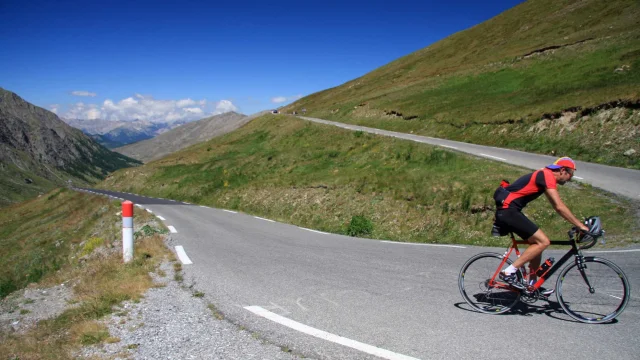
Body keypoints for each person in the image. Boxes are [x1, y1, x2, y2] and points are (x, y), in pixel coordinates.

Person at [493, 157, 589, 294]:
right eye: (570, 175)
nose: (569, 179)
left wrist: (576, 224)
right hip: (508, 211)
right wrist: (581, 226)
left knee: (537, 244)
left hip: (509, 211)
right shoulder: (546, 175)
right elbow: (559, 207)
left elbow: (556, 206)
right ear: (562, 171)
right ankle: (508, 272)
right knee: (543, 242)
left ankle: (532, 285)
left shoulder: (544, 175)